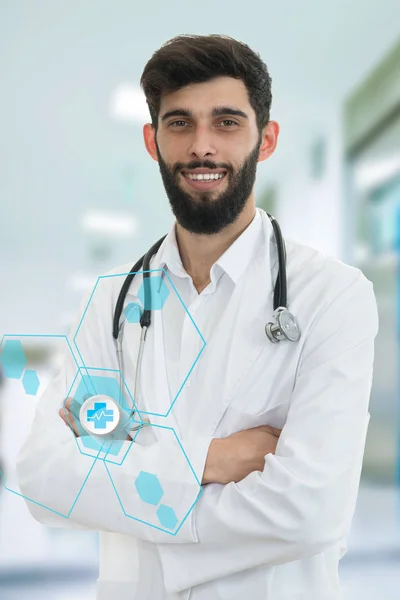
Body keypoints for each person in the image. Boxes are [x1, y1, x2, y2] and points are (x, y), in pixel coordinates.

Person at [16, 34, 379, 600]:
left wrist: (131, 477)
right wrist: (213, 460)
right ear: (152, 140)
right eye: (180, 123)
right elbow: (44, 480)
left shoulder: (333, 296)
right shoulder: (108, 303)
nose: (202, 147)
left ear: (266, 140)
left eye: (227, 122)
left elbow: (309, 511)